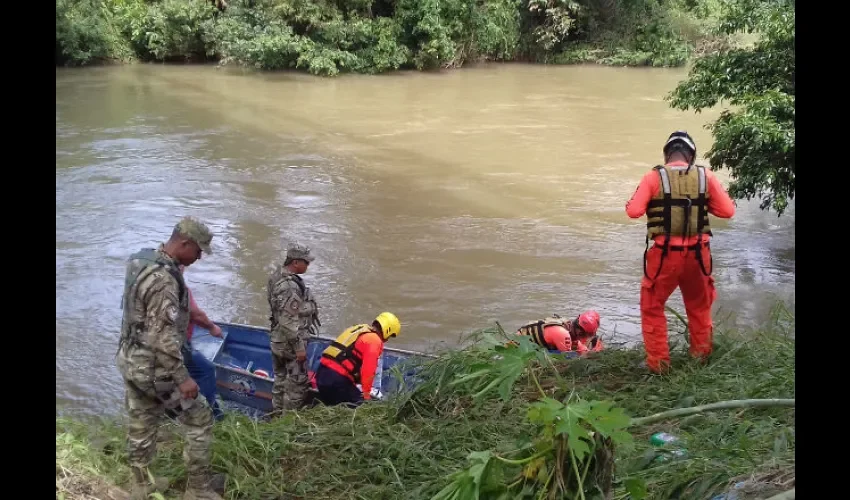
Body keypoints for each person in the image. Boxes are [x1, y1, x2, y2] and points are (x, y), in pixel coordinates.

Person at [116, 216, 225, 500]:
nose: (199, 257)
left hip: (130, 360)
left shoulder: (141, 260)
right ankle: (198, 490)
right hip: (156, 368)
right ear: (185, 243)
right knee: (200, 418)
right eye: (198, 251)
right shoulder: (165, 280)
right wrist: (183, 378)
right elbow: (162, 336)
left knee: (142, 422)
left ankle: (140, 486)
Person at [626, 131, 736, 373]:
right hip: (699, 256)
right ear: (691, 155)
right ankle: (701, 359)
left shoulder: (653, 177)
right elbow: (728, 211)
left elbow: (633, 211)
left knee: (652, 308)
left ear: (667, 154)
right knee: (699, 308)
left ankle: (659, 366)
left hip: (664, 257)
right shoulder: (706, 176)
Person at [266, 243, 320, 414]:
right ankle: (288, 422)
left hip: (277, 340)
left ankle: (276, 414)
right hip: (290, 343)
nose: (308, 265)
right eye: (306, 262)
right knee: (297, 385)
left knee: (280, 379)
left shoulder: (276, 275)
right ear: (296, 262)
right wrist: (299, 347)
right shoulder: (290, 286)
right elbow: (288, 320)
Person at [315, 312, 401, 407]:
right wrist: (366, 396)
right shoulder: (374, 340)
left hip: (321, 374)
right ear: (387, 330)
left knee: (333, 405)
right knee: (359, 407)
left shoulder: (359, 329)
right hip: (336, 380)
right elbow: (368, 371)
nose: (388, 339)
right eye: (390, 336)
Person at [180, 265, 225, 422]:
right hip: (177, 345)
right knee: (206, 370)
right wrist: (212, 327)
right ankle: (212, 411)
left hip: (165, 345)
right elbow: (195, 314)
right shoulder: (179, 287)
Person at [516, 311, 603, 354]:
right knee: (571, 356)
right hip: (519, 349)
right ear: (580, 332)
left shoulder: (567, 325)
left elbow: (577, 345)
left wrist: (588, 352)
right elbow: (567, 358)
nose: (585, 338)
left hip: (523, 341)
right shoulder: (563, 334)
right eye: (586, 335)